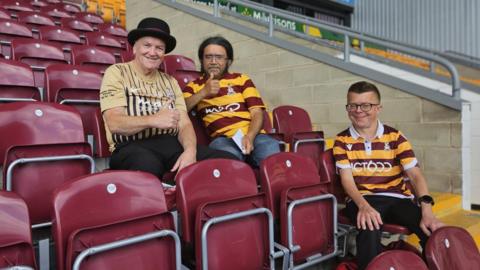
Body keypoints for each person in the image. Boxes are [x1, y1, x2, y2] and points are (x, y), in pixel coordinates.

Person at [100, 18, 236, 179]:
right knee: (148, 165)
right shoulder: (117, 72)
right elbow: (114, 123)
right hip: (129, 146)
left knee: (229, 161)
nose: (152, 52)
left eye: (159, 48)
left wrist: (190, 151)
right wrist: (153, 120)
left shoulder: (170, 81)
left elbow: (184, 124)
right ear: (135, 47)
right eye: (147, 45)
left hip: (169, 144)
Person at [333, 81, 443, 270]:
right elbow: (347, 180)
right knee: (369, 226)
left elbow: (415, 175)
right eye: (353, 105)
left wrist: (427, 210)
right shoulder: (341, 140)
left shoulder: (395, 137)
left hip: (397, 198)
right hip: (363, 198)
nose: (358, 110)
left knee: (429, 228)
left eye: (366, 105)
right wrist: (363, 206)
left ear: (378, 108)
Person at [183, 36, 280, 167]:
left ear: (228, 61)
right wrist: (203, 92)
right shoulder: (194, 86)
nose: (213, 61)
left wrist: (250, 137)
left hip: (254, 136)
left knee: (270, 150)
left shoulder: (242, 79)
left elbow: (257, 113)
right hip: (222, 140)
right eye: (208, 57)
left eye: (219, 57)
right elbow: (181, 109)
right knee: (229, 162)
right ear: (201, 60)